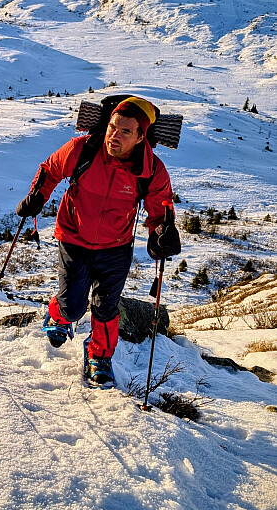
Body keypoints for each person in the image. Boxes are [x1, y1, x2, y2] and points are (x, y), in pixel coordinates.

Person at [16, 96, 181, 388]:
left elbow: (160, 210)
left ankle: (99, 356)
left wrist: (161, 235)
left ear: (141, 137)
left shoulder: (151, 170)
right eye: (113, 127)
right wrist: (38, 196)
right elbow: (51, 169)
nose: (114, 135)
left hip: (115, 247)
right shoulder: (83, 150)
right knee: (73, 307)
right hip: (74, 238)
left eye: (125, 131)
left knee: (106, 307)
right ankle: (59, 314)